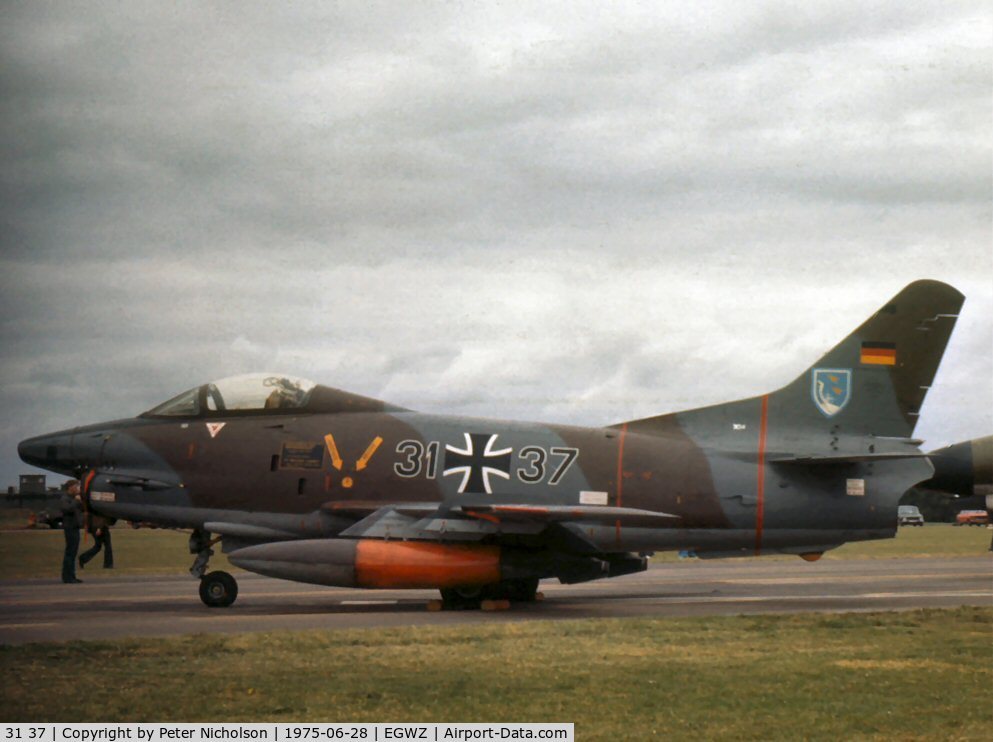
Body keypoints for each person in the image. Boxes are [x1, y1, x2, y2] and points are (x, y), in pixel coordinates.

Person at [60, 480, 84, 583]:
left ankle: (72, 576)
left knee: (73, 552)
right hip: (70, 528)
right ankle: (67, 577)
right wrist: (76, 501)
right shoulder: (65, 498)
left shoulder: (73, 498)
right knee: (70, 552)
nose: (77, 489)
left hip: (75, 527)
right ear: (70, 487)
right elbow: (67, 509)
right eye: (76, 486)